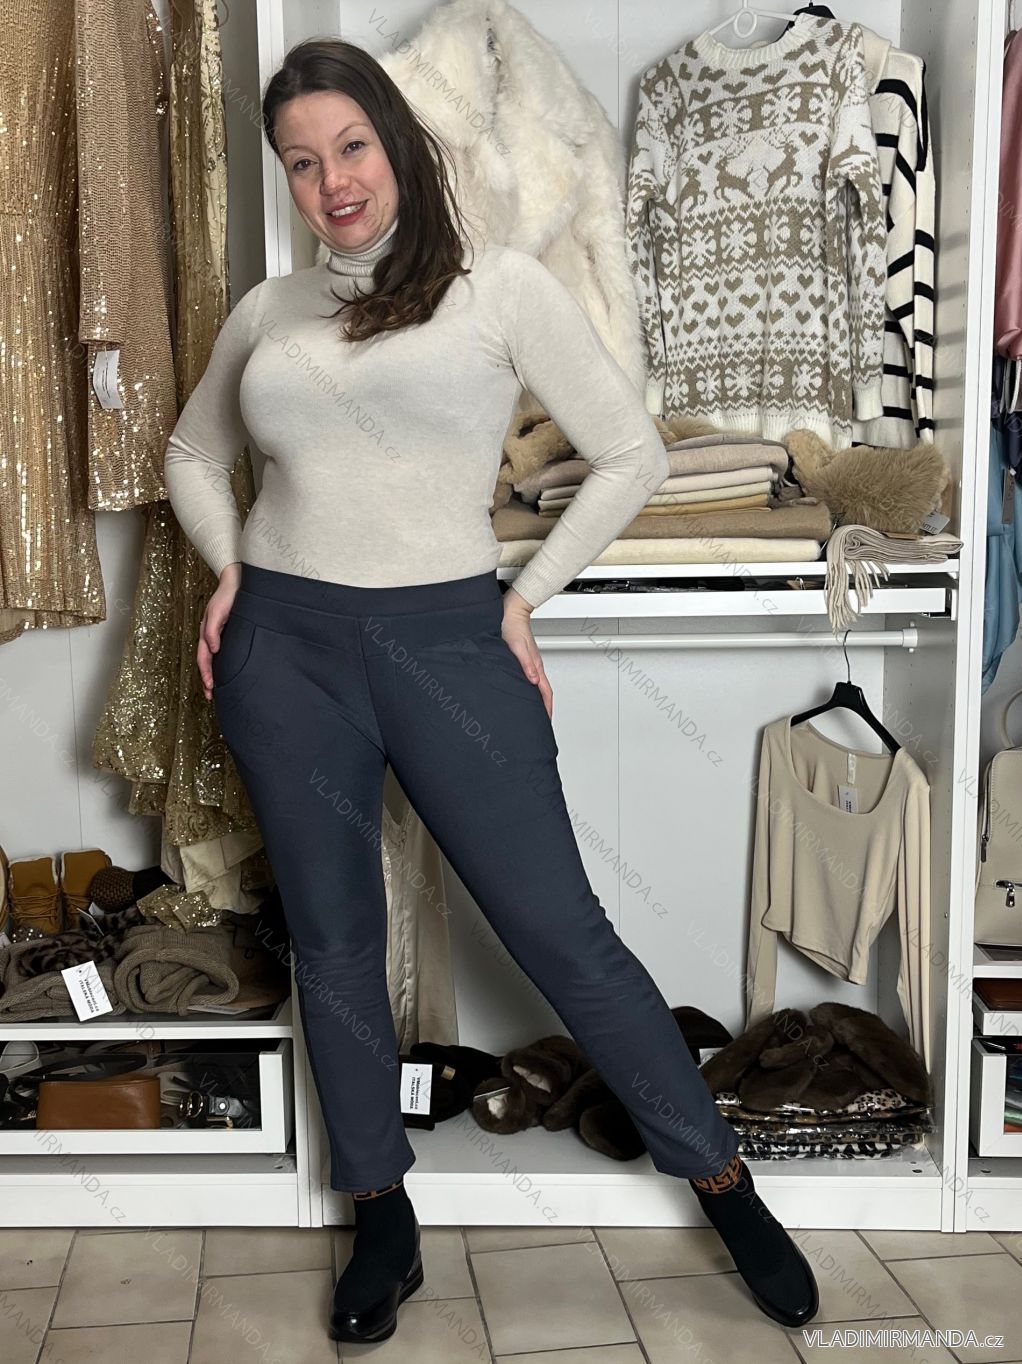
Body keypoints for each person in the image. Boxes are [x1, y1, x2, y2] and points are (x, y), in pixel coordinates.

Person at [164, 36, 818, 1347]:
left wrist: (525, 597)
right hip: (285, 653)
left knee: (562, 935)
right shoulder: (269, 314)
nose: (334, 182)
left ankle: (726, 1187)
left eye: (352, 146)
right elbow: (190, 451)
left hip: (448, 645)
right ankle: (381, 1218)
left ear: (398, 143)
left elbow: (628, 453)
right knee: (335, 944)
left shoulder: (498, 286)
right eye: (303, 162)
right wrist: (231, 571)